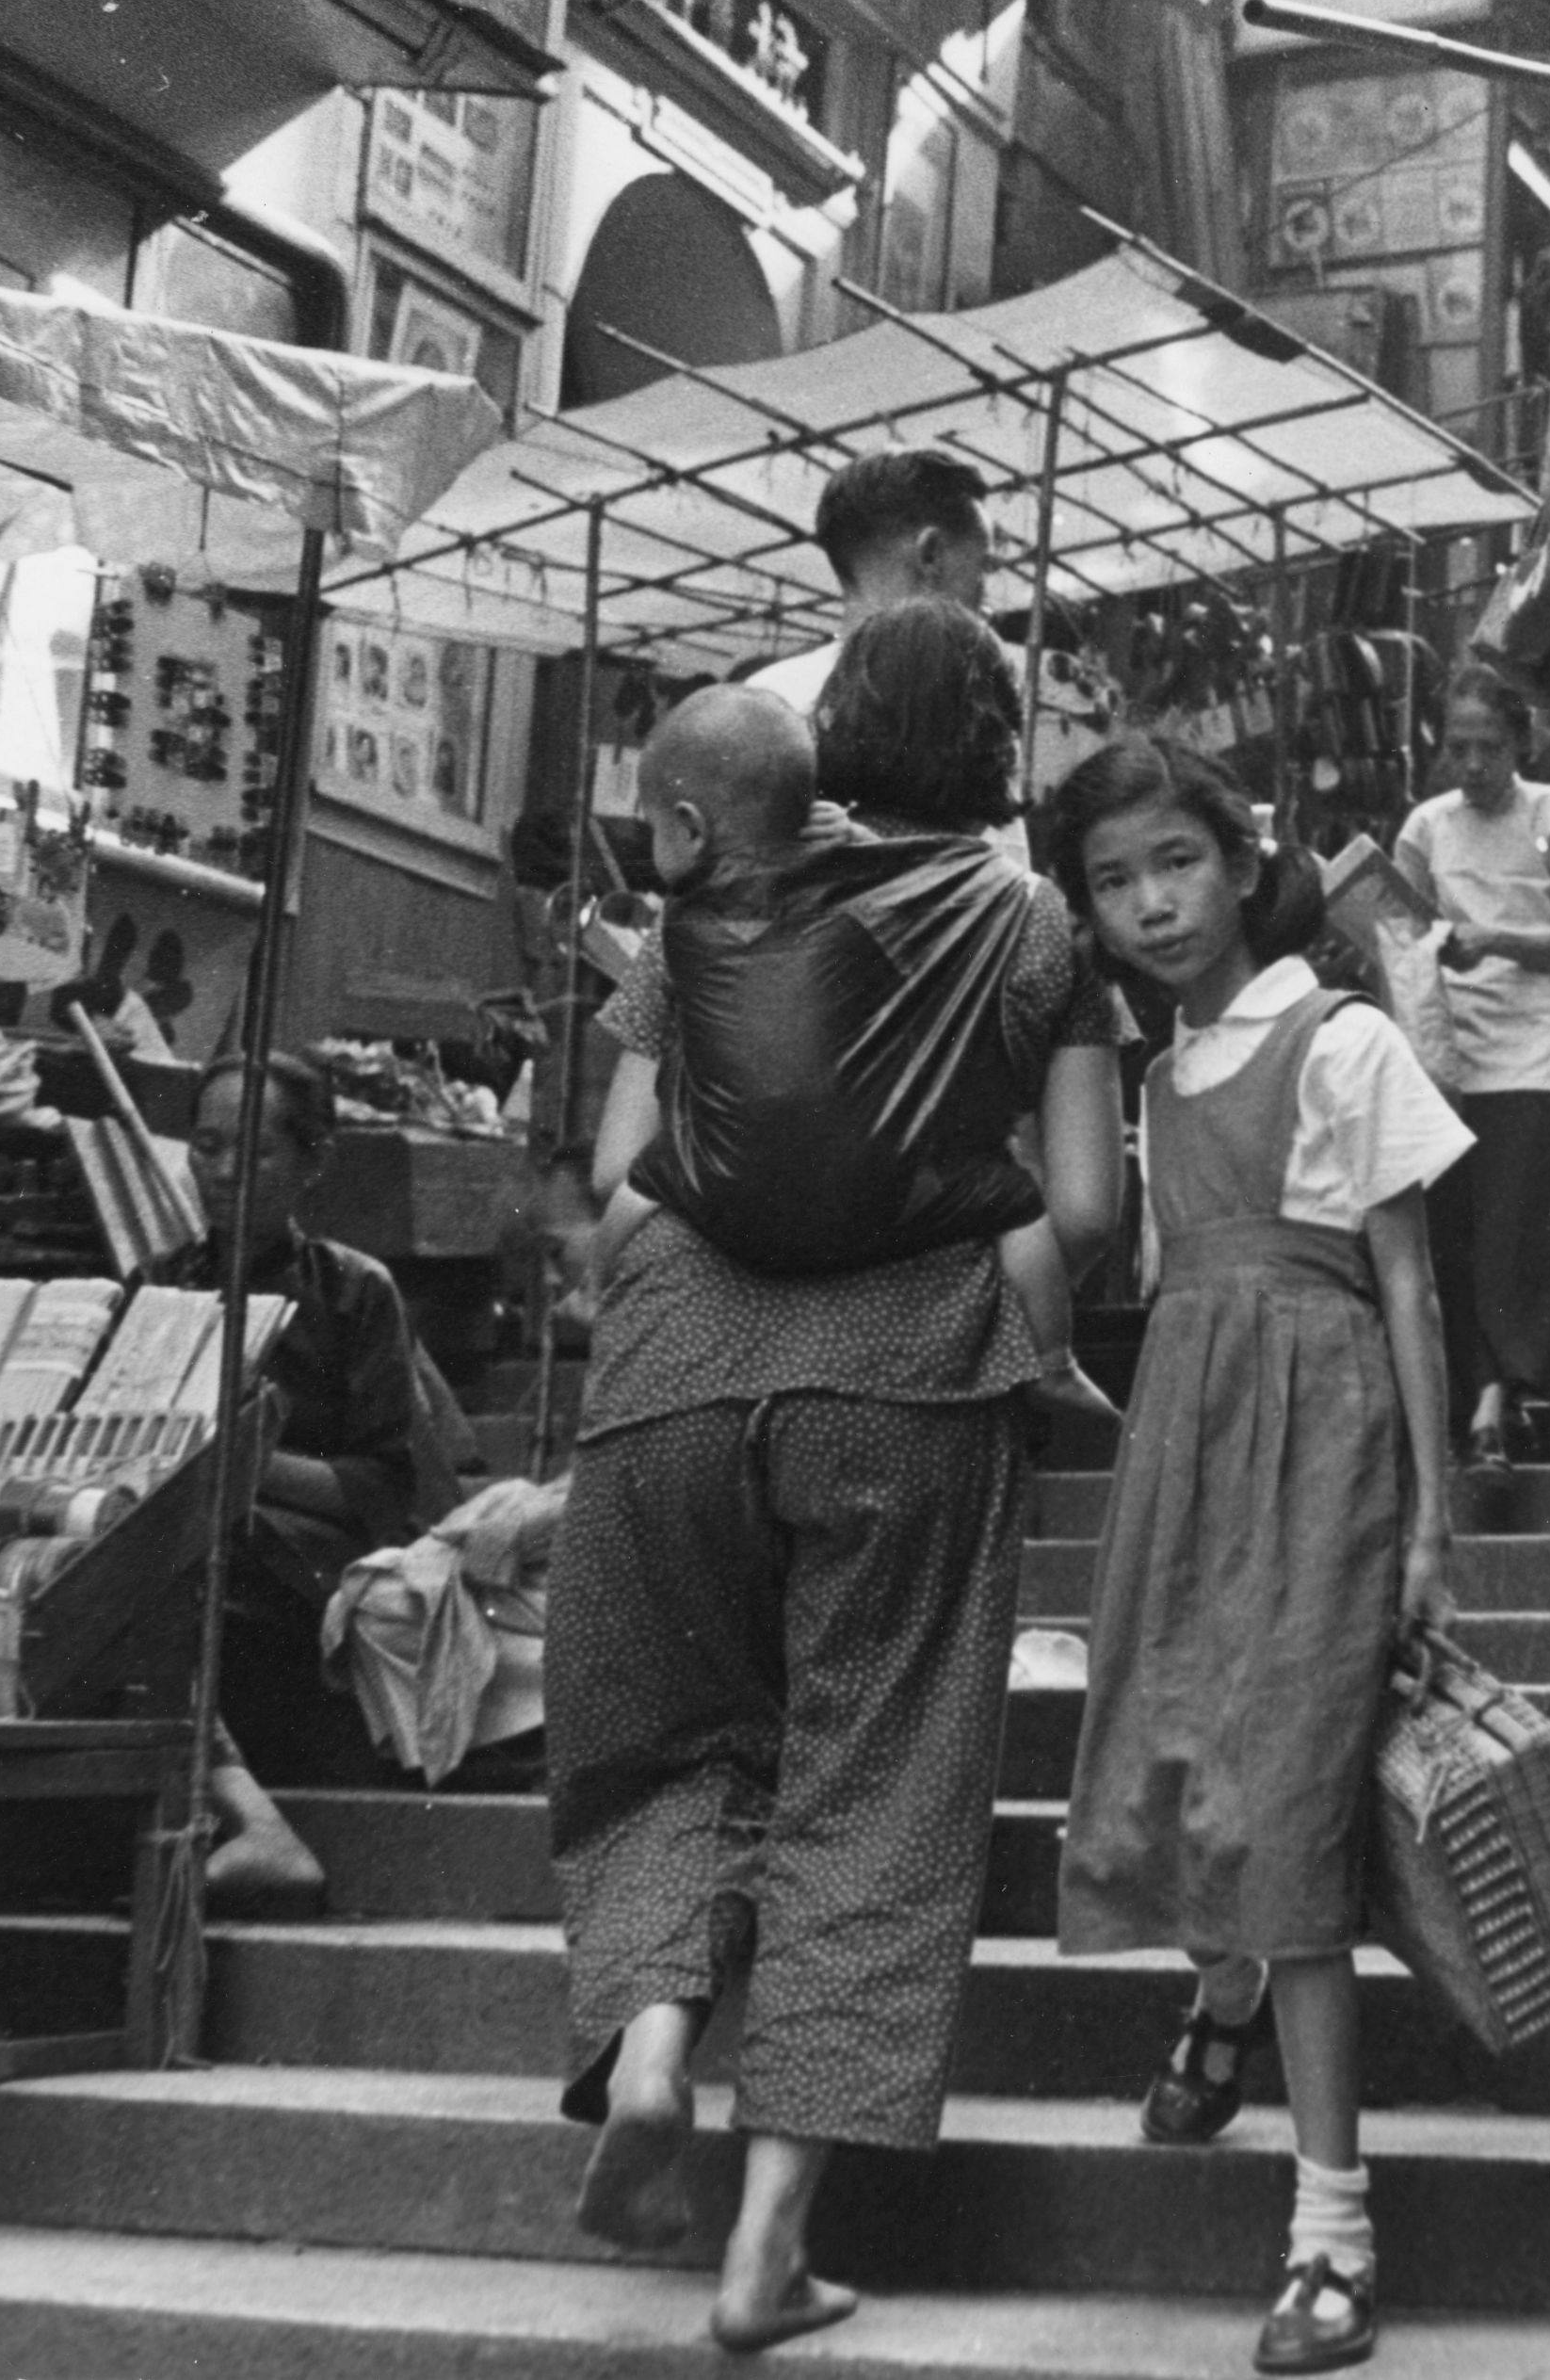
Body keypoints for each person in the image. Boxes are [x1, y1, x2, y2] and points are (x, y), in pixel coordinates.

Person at [551, 614, 1124, 2356]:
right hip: (909, 1388)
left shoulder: (697, 910)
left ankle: (653, 2047)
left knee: (658, 1748)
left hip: (666, 1382)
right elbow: (1088, 1216)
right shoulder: (1037, 926)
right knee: (874, 1797)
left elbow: (618, 1180)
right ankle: (766, 2252)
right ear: (995, 748)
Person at [1050, 734, 1466, 2374]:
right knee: (1188, 1755)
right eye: (1112, 880)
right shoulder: (1146, 1082)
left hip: (1332, 1441)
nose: (1151, 905)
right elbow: (1162, 1280)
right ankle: (1221, 2005)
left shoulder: (1343, 1035)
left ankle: (1332, 2236)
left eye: (1176, 864)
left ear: (1239, 863)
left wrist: (1437, 1520)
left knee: (1289, 1802)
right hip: (1188, 1439)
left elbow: (1413, 1287)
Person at [598, 670, 1107, 1422]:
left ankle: (591, 1291)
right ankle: (1058, 1362)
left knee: (634, 1184)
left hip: (691, 1330)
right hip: (917, 1312)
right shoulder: (1004, 914)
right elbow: (1089, 1215)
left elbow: (613, 1164)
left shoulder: (679, 928)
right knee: (1015, 1204)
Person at [180, 1049, 424, 1910]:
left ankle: (254, 1818)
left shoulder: (355, 1292)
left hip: (303, 1566)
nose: (218, 1172)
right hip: (195, 1535)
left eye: (248, 1154)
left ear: (312, 1160)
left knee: (191, 1564)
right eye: (204, 1147)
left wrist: (250, 1462)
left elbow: (386, 1487)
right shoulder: (161, 1284)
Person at [1397, 669, 1550, 1473]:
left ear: (1522, 744)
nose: (1473, 764)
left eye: (1489, 746)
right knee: (1456, 1233)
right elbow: (1400, 933)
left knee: (1512, 1224)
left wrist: (1494, 939)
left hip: (1539, 1055)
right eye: (1458, 748)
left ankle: (1494, 1398)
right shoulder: (1426, 825)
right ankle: (1504, 1381)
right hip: (1450, 1055)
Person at [738, 448, 1032, 865]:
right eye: (983, 568)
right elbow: (1010, 873)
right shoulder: (973, 700)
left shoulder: (767, 698)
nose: (988, 602)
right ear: (929, 554)